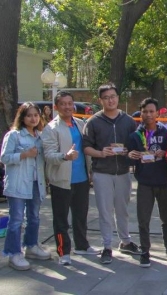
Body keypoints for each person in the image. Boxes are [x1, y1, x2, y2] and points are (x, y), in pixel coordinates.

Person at [83, 83, 142, 264]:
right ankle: (107, 246)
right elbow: (86, 147)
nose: (111, 100)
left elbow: (137, 144)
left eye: (113, 96)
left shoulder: (128, 121)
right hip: (102, 173)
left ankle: (125, 241)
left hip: (123, 172)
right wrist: (101, 153)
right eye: (106, 97)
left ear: (118, 97)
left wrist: (130, 152)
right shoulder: (93, 122)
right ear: (100, 100)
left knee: (123, 210)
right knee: (105, 211)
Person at [42, 91, 98, 266]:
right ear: (56, 106)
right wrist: (64, 156)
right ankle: (63, 251)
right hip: (61, 181)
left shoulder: (80, 123)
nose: (67, 107)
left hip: (81, 179)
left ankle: (82, 245)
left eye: (70, 103)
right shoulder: (51, 128)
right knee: (61, 219)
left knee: (81, 216)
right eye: (63, 104)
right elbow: (48, 155)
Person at [127, 98, 167, 268]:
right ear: (140, 113)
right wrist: (131, 156)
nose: (148, 114)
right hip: (145, 183)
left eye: (151, 111)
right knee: (143, 219)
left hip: (163, 181)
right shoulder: (135, 135)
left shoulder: (165, 133)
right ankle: (145, 250)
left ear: (157, 113)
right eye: (145, 111)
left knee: (166, 217)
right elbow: (129, 158)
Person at [1, 102, 51, 270]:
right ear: (22, 117)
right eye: (29, 115)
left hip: (36, 183)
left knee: (34, 217)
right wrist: (24, 155)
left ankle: (31, 245)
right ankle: (14, 253)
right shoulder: (14, 135)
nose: (33, 118)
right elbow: (5, 158)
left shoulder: (40, 136)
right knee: (16, 219)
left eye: (36, 115)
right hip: (18, 183)